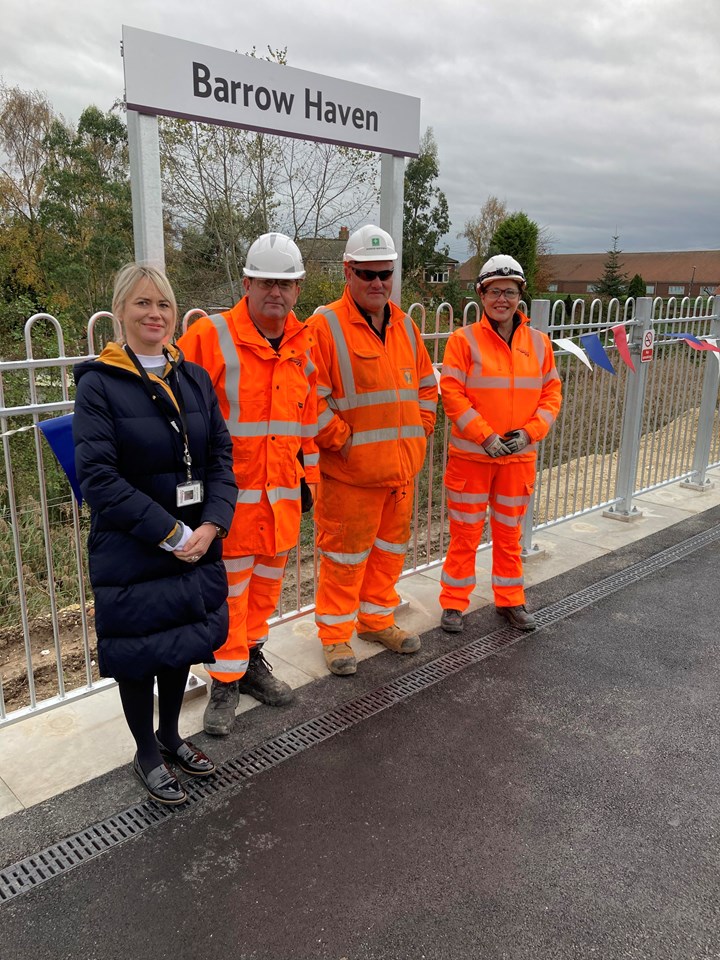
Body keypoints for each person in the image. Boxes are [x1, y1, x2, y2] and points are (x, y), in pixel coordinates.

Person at [73, 264, 236, 805]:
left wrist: (211, 524)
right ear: (120, 312)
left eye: (163, 304)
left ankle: (171, 735)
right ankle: (146, 749)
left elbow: (220, 456)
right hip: (135, 546)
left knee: (179, 643)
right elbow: (99, 478)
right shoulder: (99, 384)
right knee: (140, 653)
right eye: (142, 304)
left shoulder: (192, 377)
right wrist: (171, 533)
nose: (154, 314)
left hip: (194, 540)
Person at [178, 233, 319, 735]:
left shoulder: (304, 343)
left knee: (263, 592)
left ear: (298, 288)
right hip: (228, 504)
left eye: (285, 283)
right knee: (226, 596)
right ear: (247, 283)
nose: (275, 292)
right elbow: (181, 421)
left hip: (280, 499)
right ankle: (225, 680)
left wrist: (310, 481)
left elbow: (310, 419)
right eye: (266, 282)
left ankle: (250, 662)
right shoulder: (208, 337)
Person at [310, 224, 438, 676]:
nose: (378, 283)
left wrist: (421, 431)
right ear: (348, 272)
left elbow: (427, 385)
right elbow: (311, 398)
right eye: (367, 274)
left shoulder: (404, 324)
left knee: (388, 554)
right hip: (350, 476)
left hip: (400, 473)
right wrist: (343, 442)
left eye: (385, 274)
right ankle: (335, 635)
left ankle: (375, 619)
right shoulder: (324, 325)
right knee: (344, 558)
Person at [438, 255, 562, 634]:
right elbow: (451, 392)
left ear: (520, 296)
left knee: (510, 535)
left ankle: (510, 600)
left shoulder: (539, 345)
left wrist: (528, 434)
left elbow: (551, 395)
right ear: (482, 295)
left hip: (517, 460)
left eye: (509, 291)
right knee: (465, 535)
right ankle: (454, 604)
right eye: (494, 291)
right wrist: (485, 436)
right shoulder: (463, 341)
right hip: (472, 459)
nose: (502, 299)